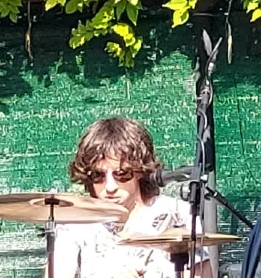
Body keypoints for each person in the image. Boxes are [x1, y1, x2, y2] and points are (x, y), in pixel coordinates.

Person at [51, 117, 213, 278]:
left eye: (121, 174)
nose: (110, 186)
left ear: (140, 171)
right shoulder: (75, 224)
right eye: (98, 175)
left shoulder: (177, 214)